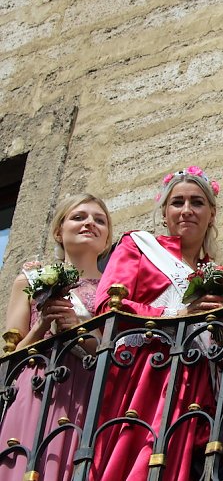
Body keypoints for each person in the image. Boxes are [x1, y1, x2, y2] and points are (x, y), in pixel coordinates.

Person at [90, 166, 223, 481]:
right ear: (165, 213)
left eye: (197, 202)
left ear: (212, 214)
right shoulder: (139, 247)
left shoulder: (218, 276)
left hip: (200, 391)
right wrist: (174, 316)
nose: (187, 210)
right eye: (177, 202)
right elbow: (107, 309)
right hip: (147, 377)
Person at [0, 194, 113, 481]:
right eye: (79, 217)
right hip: (36, 386)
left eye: (99, 220)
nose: (90, 223)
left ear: (107, 239)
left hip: (88, 390)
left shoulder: (114, 290)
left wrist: (77, 328)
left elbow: (115, 353)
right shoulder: (29, 280)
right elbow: (11, 358)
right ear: (58, 232)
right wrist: (42, 326)